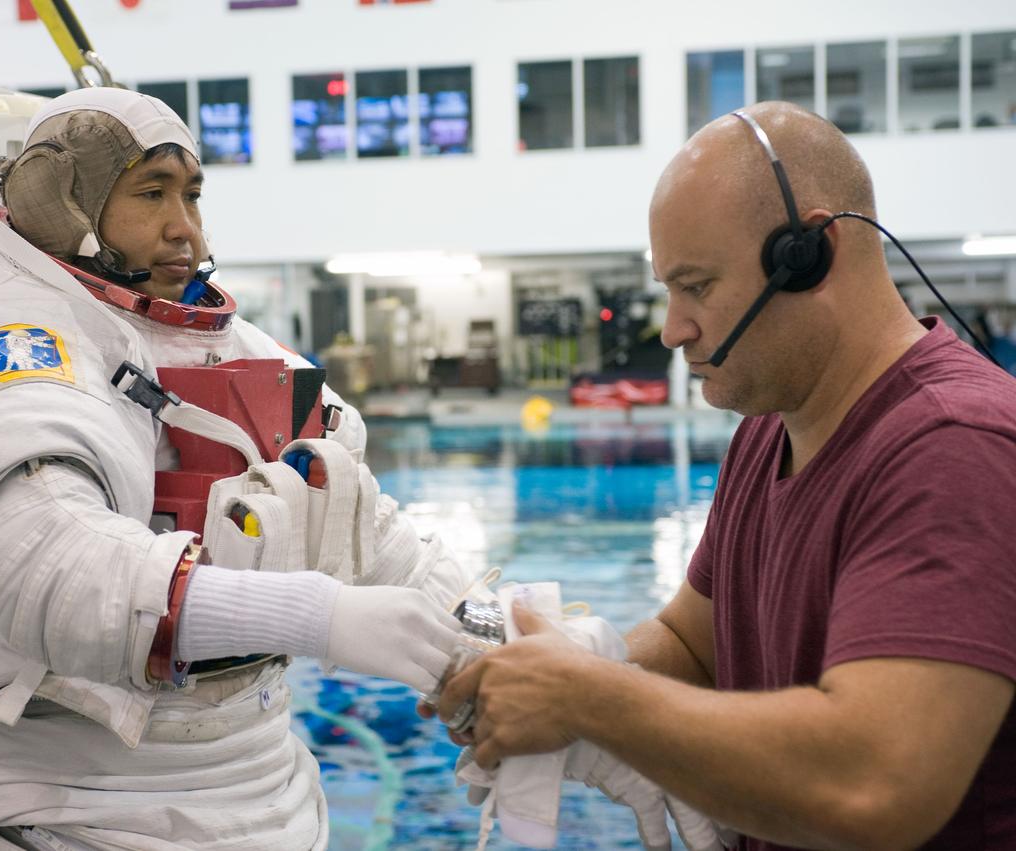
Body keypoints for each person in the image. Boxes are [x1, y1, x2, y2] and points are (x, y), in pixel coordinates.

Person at [0, 87, 476, 850]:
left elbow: (363, 527)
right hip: (66, 794)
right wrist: (322, 618)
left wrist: (509, 644)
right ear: (59, 205)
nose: (185, 226)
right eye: (152, 194)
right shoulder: (10, 344)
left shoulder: (227, 345)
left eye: (193, 194)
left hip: (253, 782)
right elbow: (58, 569)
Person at [434, 101, 1016, 850]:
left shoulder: (952, 446)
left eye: (698, 287)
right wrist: (570, 658)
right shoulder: (767, 431)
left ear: (809, 256)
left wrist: (587, 697)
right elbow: (693, 641)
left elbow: (876, 781)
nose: (673, 328)